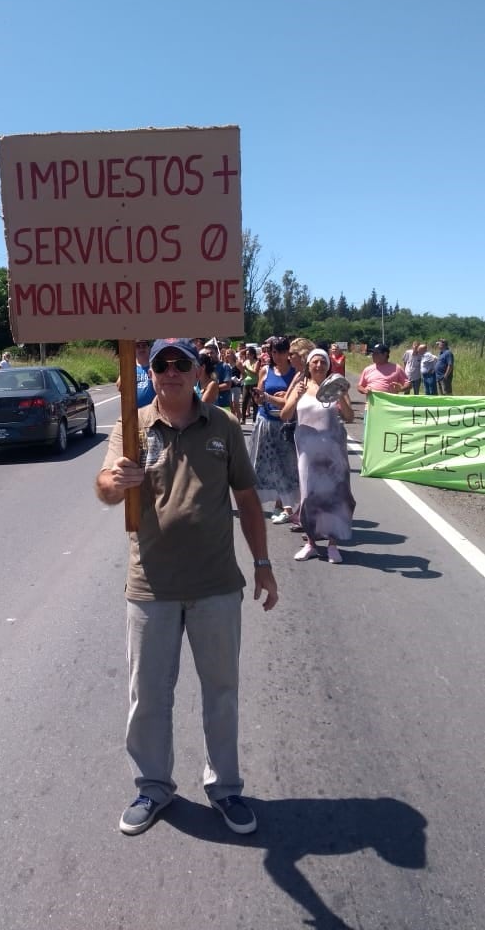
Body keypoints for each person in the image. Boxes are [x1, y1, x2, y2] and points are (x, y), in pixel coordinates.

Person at [95, 338, 278, 837]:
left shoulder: (221, 426)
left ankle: (224, 788)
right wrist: (119, 480)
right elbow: (105, 487)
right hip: (150, 586)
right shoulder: (132, 426)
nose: (172, 372)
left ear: (197, 372)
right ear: (151, 374)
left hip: (217, 584)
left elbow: (247, 496)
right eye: (162, 365)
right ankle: (154, 786)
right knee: (149, 695)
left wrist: (262, 562)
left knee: (221, 692)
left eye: (181, 364)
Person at [281, 348, 355, 564]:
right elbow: (285, 415)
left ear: (328, 365)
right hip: (307, 454)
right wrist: (295, 396)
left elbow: (349, 417)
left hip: (334, 453)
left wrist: (342, 399)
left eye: (323, 362)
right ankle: (311, 544)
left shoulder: (336, 386)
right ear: (308, 365)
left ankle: (333, 545)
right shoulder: (300, 387)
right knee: (309, 497)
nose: (319, 365)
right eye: (315, 362)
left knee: (335, 497)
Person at [248, 336, 299, 525]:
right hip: (265, 420)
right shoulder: (265, 370)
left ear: (288, 353)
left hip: (285, 424)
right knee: (266, 463)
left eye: (281, 352)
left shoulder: (295, 373)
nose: (277, 356)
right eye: (274, 352)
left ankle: (284, 505)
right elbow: (259, 395)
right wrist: (259, 398)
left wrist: (276, 397)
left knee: (285, 463)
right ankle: (279, 505)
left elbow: (290, 400)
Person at [116, 339, 155, 408]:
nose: (141, 348)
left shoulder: (155, 366)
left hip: (153, 411)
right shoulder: (130, 368)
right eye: (138, 346)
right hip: (134, 412)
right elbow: (120, 388)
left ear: (149, 348)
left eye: (144, 346)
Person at [202, 341, 232, 410]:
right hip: (209, 405)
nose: (209, 355)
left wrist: (209, 389)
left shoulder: (224, 366)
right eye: (207, 353)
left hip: (223, 405)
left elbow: (227, 385)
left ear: (217, 353)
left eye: (212, 353)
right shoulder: (205, 368)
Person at [241, 345, 260, 424]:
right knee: (244, 401)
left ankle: (255, 419)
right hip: (246, 383)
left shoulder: (257, 362)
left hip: (254, 383)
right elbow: (244, 373)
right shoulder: (246, 362)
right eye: (246, 354)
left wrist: (246, 368)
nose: (247, 356)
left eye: (249, 354)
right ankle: (243, 419)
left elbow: (255, 372)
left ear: (253, 355)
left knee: (254, 402)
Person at [226, 348, 243, 420]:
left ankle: (238, 420)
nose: (227, 355)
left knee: (235, 404)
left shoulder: (237, 363)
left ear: (233, 355)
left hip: (236, 386)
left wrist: (240, 380)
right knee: (230, 405)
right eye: (227, 353)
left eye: (229, 353)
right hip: (229, 387)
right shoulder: (226, 365)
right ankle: (234, 421)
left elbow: (244, 374)